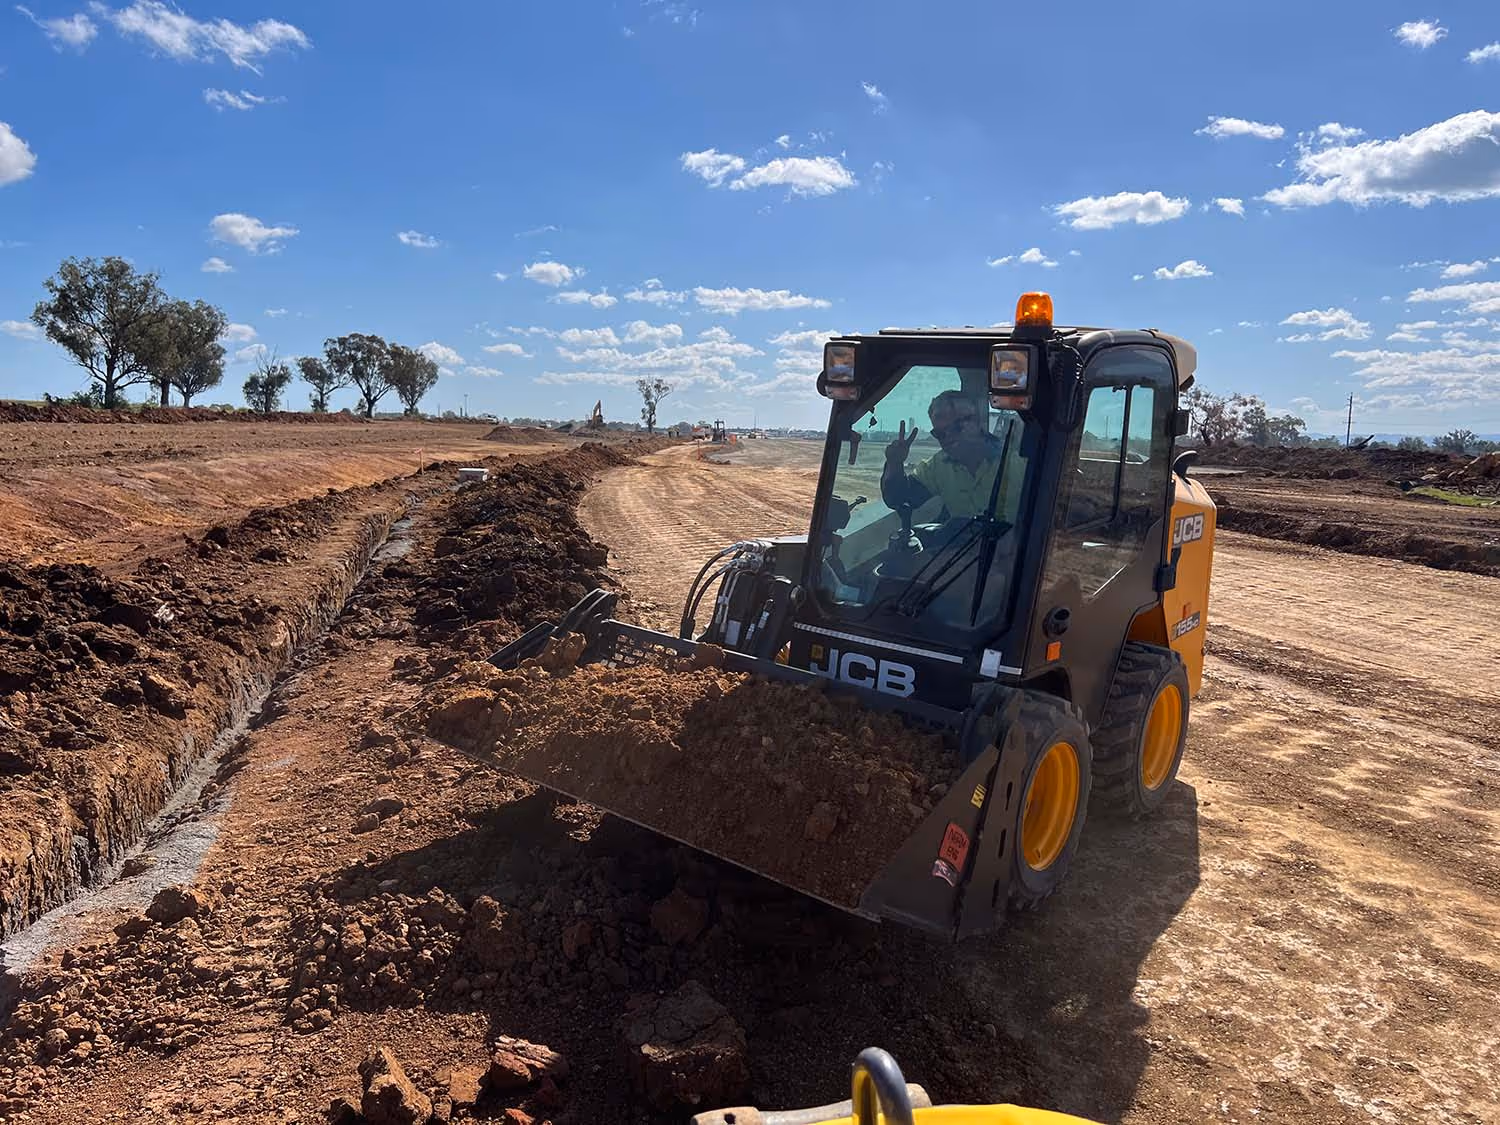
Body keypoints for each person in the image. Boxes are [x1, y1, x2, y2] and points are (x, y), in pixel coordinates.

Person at [880, 389, 1021, 522]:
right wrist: (894, 463)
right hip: (962, 547)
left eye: (956, 427)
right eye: (940, 434)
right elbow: (900, 499)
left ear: (977, 422)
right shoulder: (938, 466)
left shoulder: (1017, 462)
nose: (948, 437)